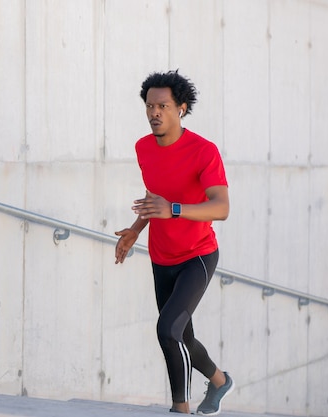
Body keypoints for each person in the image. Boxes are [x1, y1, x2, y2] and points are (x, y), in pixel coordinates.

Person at [114, 70, 234, 415]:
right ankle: (220, 382)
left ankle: (180, 409)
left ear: (181, 108)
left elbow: (221, 207)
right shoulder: (143, 147)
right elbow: (156, 201)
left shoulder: (203, 151)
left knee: (167, 330)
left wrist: (175, 209)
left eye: (163, 106)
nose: (154, 112)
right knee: (183, 336)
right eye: (150, 106)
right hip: (161, 256)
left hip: (197, 256)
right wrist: (137, 229)